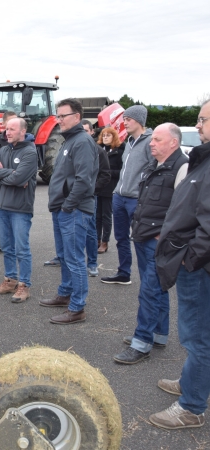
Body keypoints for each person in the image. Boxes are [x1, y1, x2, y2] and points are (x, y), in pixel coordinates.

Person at [149, 101, 210, 429]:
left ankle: (191, 406)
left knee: (198, 336)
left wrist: (189, 259)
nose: (198, 125)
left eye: (202, 120)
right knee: (198, 334)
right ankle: (192, 381)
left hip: (199, 268)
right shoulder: (204, 158)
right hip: (196, 263)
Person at [113, 123, 188, 364]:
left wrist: (165, 234)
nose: (151, 143)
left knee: (149, 291)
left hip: (160, 241)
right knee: (156, 288)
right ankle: (159, 334)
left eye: (157, 139)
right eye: (152, 139)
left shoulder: (182, 167)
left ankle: (141, 343)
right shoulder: (154, 165)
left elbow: (184, 208)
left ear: (173, 143)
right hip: (144, 235)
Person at [39, 98, 98, 324]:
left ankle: (77, 308)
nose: (59, 120)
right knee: (65, 256)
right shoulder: (68, 141)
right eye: (58, 115)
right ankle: (65, 294)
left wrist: (67, 205)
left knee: (74, 259)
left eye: (63, 116)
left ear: (77, 117)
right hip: (63, 209)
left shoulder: (82, 142)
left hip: (73, 211)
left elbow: (84, 181)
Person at [101, 105, 154, 285]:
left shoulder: (150, 141)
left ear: (139, 120)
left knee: (141, 240)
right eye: (124, 119)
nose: (125, 123)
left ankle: (148, 280)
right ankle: (124, 273)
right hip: (119, 197)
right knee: (121, 238)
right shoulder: (129, 142)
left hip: (136, 199)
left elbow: (153, 170)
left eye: (128, 119)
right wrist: (117, 191)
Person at [0, 118, 37, 302]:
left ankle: (24, 285)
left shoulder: (30, 152)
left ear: (23, 131)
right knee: (7, 247)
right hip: (2, 206)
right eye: (6, 129)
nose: (7, 132)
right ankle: (10, 280)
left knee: (21, 249)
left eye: (12, 129)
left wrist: (7, 175)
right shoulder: (3, 149)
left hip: (20, 209)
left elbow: (19, 179)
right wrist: (12, 174)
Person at [83, 120, 111, 277]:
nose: (83, 134)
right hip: (73, 197)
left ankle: (92, 263)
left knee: (90, 230)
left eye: (86, 131)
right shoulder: (74, 148)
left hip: (89, 197)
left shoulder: (98, 151)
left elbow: (105, 175)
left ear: (92, 132)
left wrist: (91, 190)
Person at [96, 127, 124, 254]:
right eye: (104, 135)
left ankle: (105, 241)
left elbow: (121, 172)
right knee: (96, 216)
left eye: (108, 135)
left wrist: (107, 172)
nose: (105, 137)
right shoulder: (99, 150)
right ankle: (96, 239)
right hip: (98, 187)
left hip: (110, 188)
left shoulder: (119, 152)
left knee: (106, 216)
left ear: (114, 137)